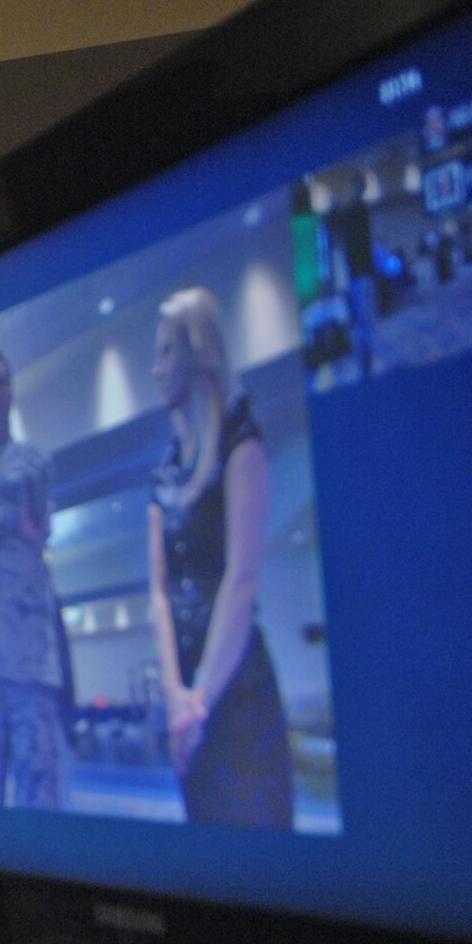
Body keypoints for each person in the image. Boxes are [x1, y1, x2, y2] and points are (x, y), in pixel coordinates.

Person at [148, 287, 294, 828]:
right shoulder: (162, 472)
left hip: (237, 695)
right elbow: (159, 593)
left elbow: (241, 580)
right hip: (186, 704)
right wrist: (173, 698)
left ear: (196, 352)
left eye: (165, 352)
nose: (155, 369)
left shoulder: (241, 444)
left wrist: (199, 702)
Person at [0, 351, 68, 809]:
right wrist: (8, 504)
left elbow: (34, 513)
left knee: (36, 789)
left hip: (30, 657)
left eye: (3, 382)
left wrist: (1, 506)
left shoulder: (35, 457)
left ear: (13, 390)